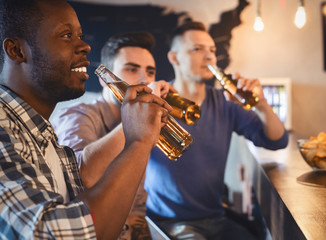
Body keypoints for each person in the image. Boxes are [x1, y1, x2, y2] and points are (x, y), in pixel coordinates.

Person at [0, 0, 171, 239]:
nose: (85, 46)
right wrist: (138, 141)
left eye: (80, 35)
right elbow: (57, 233)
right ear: (17, 51)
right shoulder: (4, 127)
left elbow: (81, 189)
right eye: (67, 35)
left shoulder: (43, 133)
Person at [144, 21, 289, 239]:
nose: (210, 56)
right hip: (170, 222)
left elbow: (277, 140)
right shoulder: (158, 102)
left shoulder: (225, 102)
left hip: (216, 218)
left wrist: (262, 105)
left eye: (212, 50)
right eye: (197, 49)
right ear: (174, 58)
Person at [50, 32, 173, 239]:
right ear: (104, 79)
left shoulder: (145, 124)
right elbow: (82, 178)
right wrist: (133, 122)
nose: (144, 79)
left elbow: (136, 207)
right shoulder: (77, 115)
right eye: (131, 69)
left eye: (150, 72)